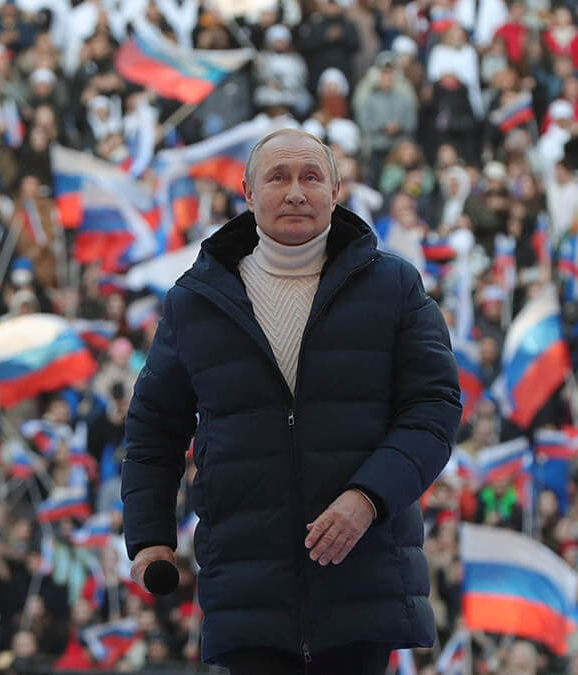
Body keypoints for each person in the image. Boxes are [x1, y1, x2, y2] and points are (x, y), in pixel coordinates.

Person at [121, 128, 461, 674]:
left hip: (362, 580)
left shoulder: (394, 285)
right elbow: (153, 431)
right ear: (249, 194)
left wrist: (368, 497)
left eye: (310, 177)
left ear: (336, 189)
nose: (296, 192)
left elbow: (435, 408)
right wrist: (149, 539)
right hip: (246, 589)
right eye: (278, 178)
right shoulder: (194, 301)